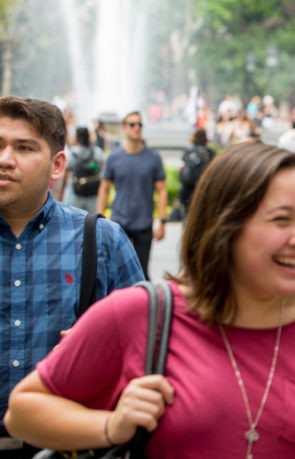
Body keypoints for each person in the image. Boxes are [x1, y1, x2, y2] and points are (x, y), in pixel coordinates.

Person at [5, 143, 295, 458]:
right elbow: (23, 411)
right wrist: (111, 425)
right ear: (224, 226)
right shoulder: (141, 314)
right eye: (281, 219)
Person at [0, 97, 143, 459]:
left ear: (57, 165)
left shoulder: (102, 240)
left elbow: (147, 354)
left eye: (24, 147)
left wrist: (100, 351)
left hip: (67, 447)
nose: (5, 159)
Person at [96, 111, 169, 280]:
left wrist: (163, 221)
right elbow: (104, 188)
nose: (137, 128)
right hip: (120, 222)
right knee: (116, 272)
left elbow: (162, 189)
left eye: (140, 124)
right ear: (124, 128)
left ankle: (144, 305)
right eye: (132, 124)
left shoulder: (153, 157)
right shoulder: (114, 157)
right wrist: (100, 218)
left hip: (144, 222)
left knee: (142, 273)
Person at [57, 125, 105, 212]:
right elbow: (103, 174)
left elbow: (64, 179)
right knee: (91, 222)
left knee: (73, 221)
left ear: (77, 137)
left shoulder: (73, 153)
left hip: (76, 194)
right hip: (93, 194)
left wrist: (59, 198)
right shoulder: (98, 152)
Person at [178, 128, 215, 216]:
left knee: (187, 215)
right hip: (203, 188)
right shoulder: (210, 153)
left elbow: (181, 168)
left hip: (187, 188)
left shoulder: (187, 151)